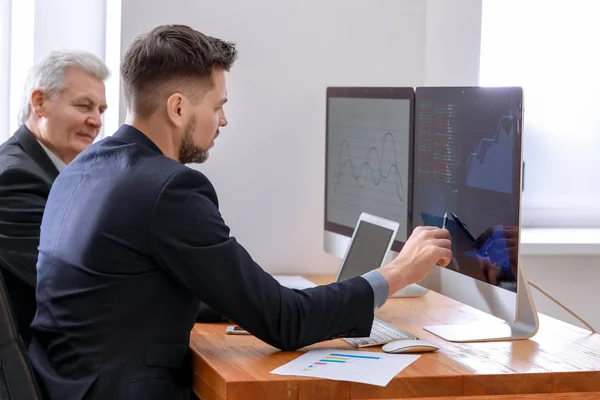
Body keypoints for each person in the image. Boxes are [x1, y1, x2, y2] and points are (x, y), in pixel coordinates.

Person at [29, 25, 452, 400]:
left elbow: (130, 287)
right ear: (178, 109)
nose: (224, 120)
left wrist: (246, 297)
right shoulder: (168, 189)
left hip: (65, 383)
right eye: (217, 107)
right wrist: (398, 272)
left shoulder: (82, 168)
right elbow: (286, 323)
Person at [0, 50, 109, 345]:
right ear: (39, 103)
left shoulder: (52, 172)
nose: (96, 121)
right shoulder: (14, 179)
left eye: (101, 110)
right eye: (84, 106)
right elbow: (72, 285)